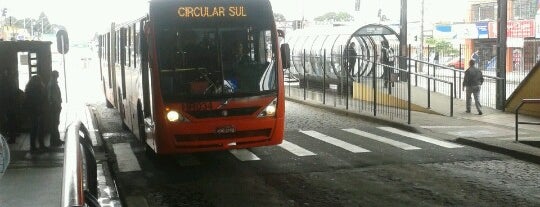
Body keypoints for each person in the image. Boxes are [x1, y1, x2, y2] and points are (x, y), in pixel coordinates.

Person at [24, 75, 48, 153]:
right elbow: (40, 100)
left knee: (34, 129)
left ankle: (34, 146)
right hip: (37, 111)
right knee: (38, 129)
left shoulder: (29, 89)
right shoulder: (38, 89)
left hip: (34, 112)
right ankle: (39, 145)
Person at [48, 71, 64, 147]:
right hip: (54, 107)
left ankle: (55, 140)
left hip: (53, 106)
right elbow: (54, 97)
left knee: (55, 123)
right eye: (57, 75)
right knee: (55, 123)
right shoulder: (53, 84)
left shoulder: (52, 83)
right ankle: (55, 141)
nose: (58, 76)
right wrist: (58, 104)